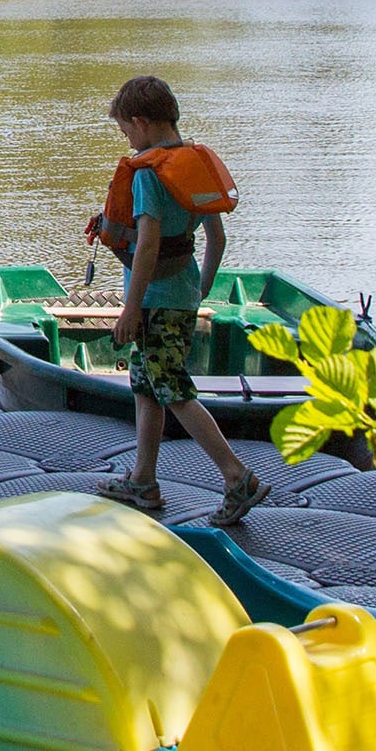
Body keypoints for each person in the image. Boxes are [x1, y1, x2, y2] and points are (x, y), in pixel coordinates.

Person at [87, 75, 269, 525]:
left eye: (126, 132)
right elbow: (217, 238)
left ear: (141, 122)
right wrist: (201, 287)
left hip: (154, 300)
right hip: (182, 291)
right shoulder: (192, 165)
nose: (128, 141)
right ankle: (143, 482)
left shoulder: (148, 174)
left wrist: (131, 308)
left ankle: (237, 477)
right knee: (146, 385)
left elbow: (148, 244)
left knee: (171, 388)